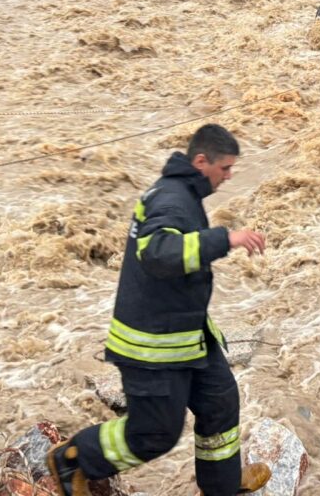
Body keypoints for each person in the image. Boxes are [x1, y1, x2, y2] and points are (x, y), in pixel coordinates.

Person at [47, 125, 271, 496]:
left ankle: (222, 486)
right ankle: (72, 458)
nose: (230, 176)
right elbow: (157, 253)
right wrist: (225, 238)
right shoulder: (170, 199)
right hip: (153, 345)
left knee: (220, 402)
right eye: (226, 168)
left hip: (188, 334)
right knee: (155, 434)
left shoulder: (182, 192)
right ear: (201, 161)